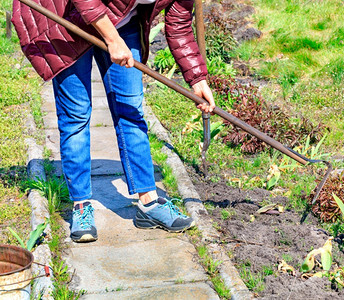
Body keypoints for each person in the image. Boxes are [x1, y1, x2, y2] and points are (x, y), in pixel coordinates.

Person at [12, 0, 215, 242]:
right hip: (67, 20)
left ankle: (149, 204)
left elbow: (179, 24)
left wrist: (197, 79)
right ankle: (81, 206)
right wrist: (111, 39)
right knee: (75, 115)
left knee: (130, 109)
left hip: (122, 23)